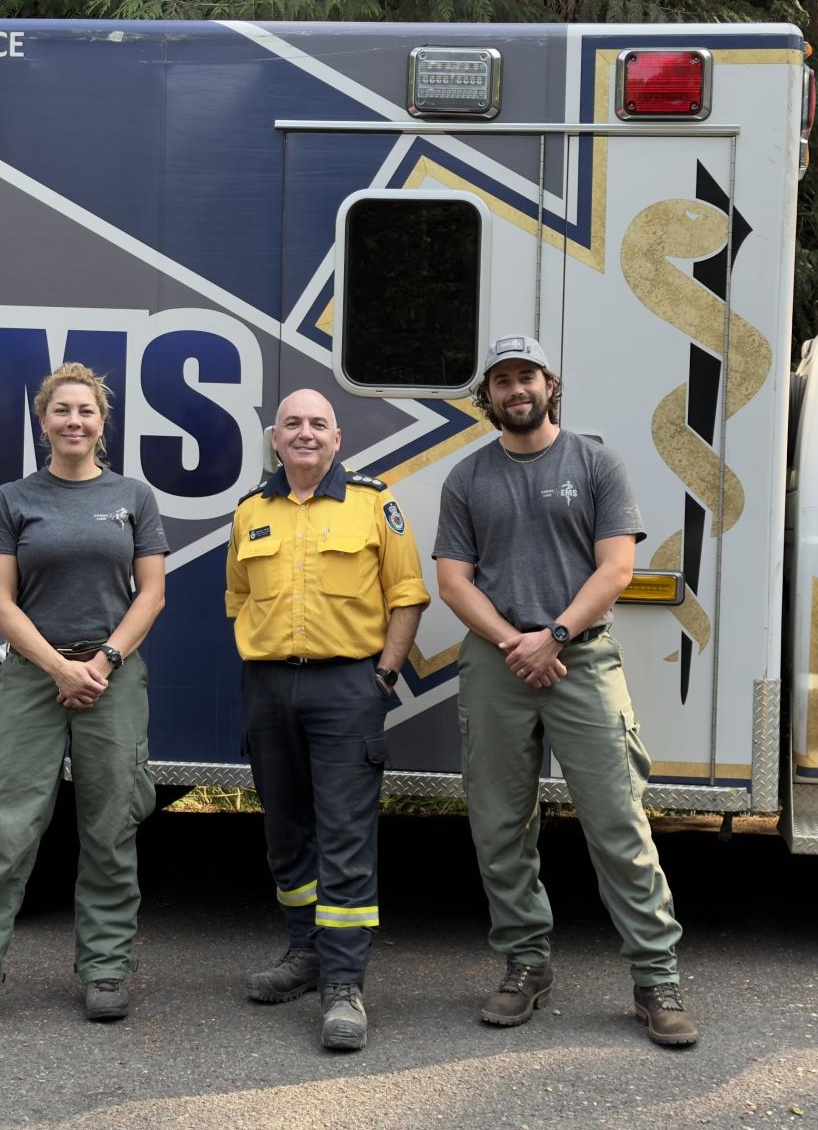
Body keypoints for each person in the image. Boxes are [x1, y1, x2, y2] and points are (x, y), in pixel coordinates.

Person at [433, 334, 698, 1048]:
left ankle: (655, 978)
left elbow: (615, 569)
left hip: (580, 658)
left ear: (551, 384)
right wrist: (514, 642)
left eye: (527, 376)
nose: (515, 389)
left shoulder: (595, 463)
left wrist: (551, 635)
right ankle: (525, 965)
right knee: (499, 824)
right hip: (498, 661)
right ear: (486, 396)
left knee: (618, 822)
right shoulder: (467, 478)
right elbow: (453, 580)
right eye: (502, 380)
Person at [0, 363, 167, 1033]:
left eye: (86, 410)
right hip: (34, 672)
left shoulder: (134, 498)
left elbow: (152, 594)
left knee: (111, 825)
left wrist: (104, 661)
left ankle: (106, 968)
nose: (75, 421)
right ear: (43, 419)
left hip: (112, 675)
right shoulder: (13, 499)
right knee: (8, 826)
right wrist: (60, 666)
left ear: (103, 421)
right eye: (63, 410)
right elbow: (0, 603)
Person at [225, 389, 428, 1051]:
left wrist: (383, 679)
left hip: (348, 685)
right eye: (293, 424)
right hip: (269, 684)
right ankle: (304, 955)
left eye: (317, 423)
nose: (305, 433)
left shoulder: (376, 504)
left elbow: (406, 596)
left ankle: (343, 984)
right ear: (275, 440)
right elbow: (238, 598)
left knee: (344, 835)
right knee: (285, 830)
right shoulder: (250, 511)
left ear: (337, 439)